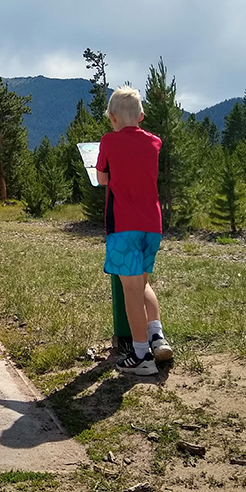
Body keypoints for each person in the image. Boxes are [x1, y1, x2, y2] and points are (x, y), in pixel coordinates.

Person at [95, 86, 173, 376]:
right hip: (151, 224)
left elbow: (103, 178)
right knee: (142, 283)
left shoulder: (108, 141)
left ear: (112, 118)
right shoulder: (154, 142)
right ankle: (157, 336)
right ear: (141, 116)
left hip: (123, 226)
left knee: (130, 291)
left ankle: (141, 355)